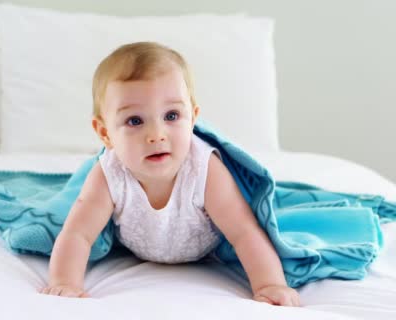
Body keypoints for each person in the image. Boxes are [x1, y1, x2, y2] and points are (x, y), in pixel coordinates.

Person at [39, 42, 300, 307]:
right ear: (105, 133)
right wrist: (65, 283)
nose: (156, 135)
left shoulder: (204, 171)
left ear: (193, 118)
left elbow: (244, 233)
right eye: (135, 121)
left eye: (172, 115)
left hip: (206, 251)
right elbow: (77, 234)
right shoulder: (109, 174)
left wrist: (270, 285)